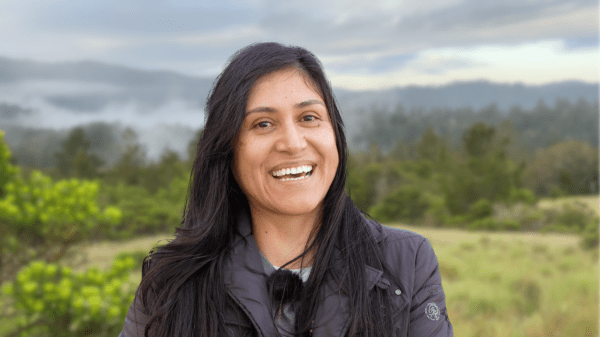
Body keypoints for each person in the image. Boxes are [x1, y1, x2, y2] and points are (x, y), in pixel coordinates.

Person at [118, 42, 453, 337]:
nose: (293, 144)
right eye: (263, 124)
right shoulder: (171, 281)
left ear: (334, 134)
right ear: (227, 149)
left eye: (309, 117)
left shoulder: (406, 261)